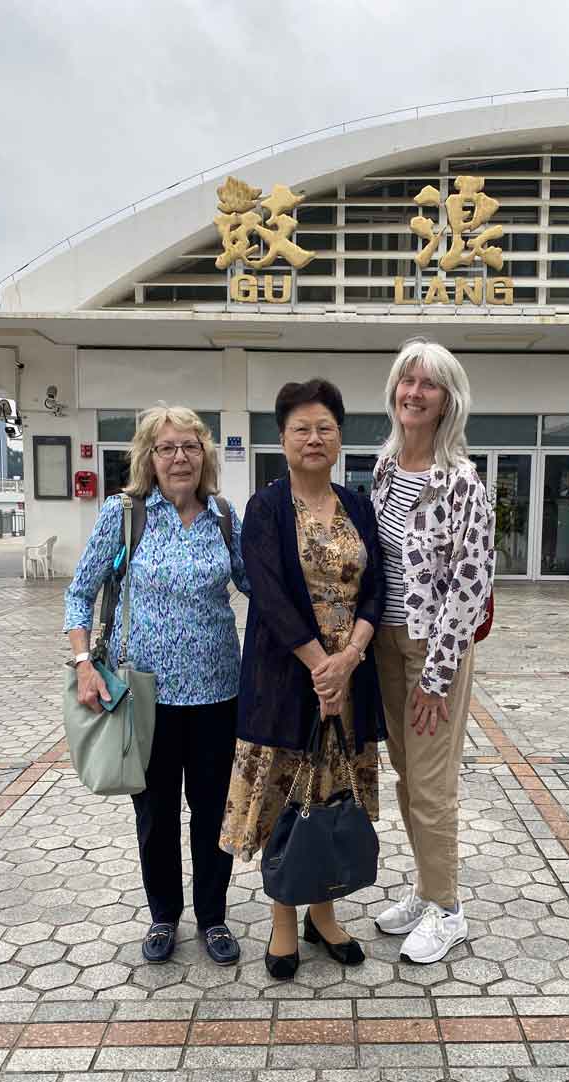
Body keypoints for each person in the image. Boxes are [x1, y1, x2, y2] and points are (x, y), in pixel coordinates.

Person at [65, 406, 249, 966]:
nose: (179, 458)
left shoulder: (222, 514)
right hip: (146, 699)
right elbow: (79, 592)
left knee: (214, 812)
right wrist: (83, 664)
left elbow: (253, 583)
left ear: (205, 455)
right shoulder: (125, 516)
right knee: (156, 814)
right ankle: (164, 916)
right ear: (149, 457)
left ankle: (213, 918)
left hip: (220, 693)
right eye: (167, 448)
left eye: (190, 447)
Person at [221, 378, 386, 979]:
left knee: (334, 796)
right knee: (287, 800)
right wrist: (322, 665)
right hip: (288, 679)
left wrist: (351, 659)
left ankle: (326, 914)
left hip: (351, 678)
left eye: (325, 428)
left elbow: (378, 587)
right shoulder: (265, 507)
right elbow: (269, 595)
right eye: (301, 429)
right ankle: (284, 924)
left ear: (340, 437)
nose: (314, 438)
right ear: (282, 438)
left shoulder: (358, 504)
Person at [372, 339, 495, 964]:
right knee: (405, 774)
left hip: (433, 652)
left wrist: (437, 676)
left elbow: (471, 585)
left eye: (429, 384)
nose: (414, 393)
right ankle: (426, 890)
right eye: (406, 381)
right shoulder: (385, 469)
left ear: (449, 400)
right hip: (386, 647)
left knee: (432, 783)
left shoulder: (462, 481)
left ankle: (448, 910)